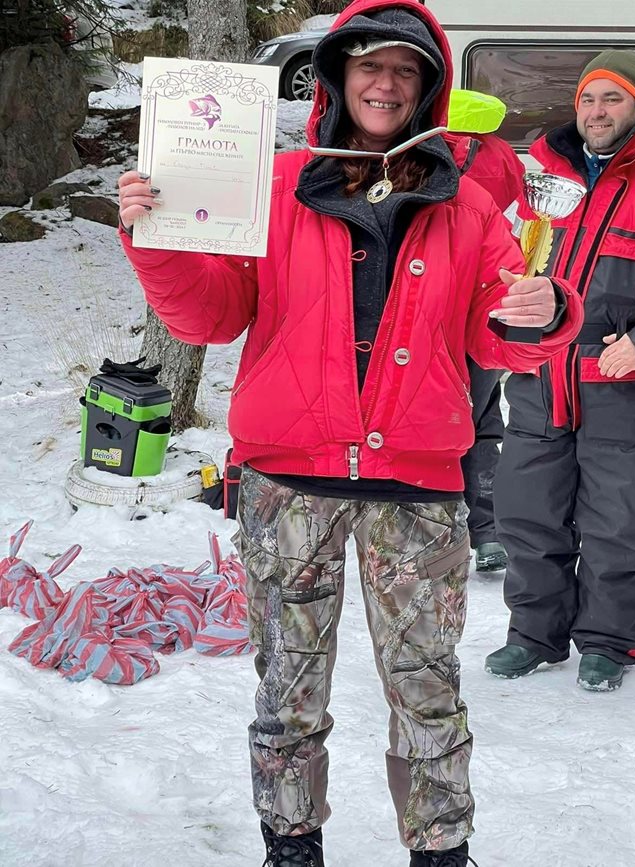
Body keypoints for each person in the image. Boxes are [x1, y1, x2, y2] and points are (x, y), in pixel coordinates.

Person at [117, 2, 582, 863]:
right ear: (337, 76)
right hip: (286, 482)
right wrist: (160, 244)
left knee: (428, 689)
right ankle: (291, 843)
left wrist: (542, 311)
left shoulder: (469, 202)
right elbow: (212, 317)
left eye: (406, 70)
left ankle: (440, 848)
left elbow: (497, 331)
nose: (385, 82)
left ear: (428, 88)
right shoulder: (279, 181)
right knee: (288, 691)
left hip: (418, 488)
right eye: (369, 64)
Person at [485, 49, 635, 692]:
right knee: (529, 511)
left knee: (619, 519)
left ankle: (608, 641)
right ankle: (535, 634)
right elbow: (514, 265)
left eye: (611, 99)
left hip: (621, 380)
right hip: (542, 372)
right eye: (588, 98)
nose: (596, 111)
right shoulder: (547, 176)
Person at [445, 90, 526, 573]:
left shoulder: (434, 149)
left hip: (441, 305)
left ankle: (444, 530)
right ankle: (488, 531)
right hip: (493, 300)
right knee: (482, 420)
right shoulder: (499, 155)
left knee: (441, 422)